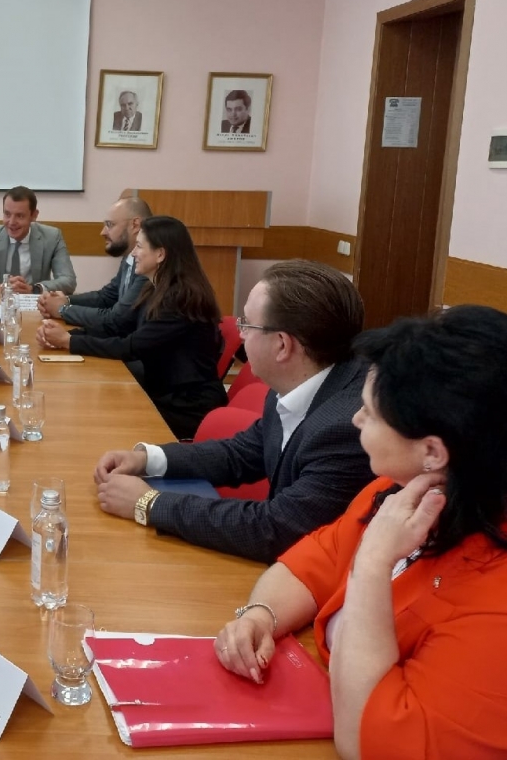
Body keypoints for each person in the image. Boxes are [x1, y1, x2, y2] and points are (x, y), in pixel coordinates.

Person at [214, 305, 507, 759]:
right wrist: (259, 616)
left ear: (433, 452)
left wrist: (372, 565)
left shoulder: (494, 601)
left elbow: (373, 745)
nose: (355, 420)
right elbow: (312, 563)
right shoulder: (398, 492)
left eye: (370, 412)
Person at [92, 260, 372, 562]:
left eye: (247, 324)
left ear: (282, 346)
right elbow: (243, 452)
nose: (240, 334)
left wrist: (148, 503)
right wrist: (148, 459)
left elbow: (275, 529)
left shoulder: (348, 426)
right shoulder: (300, 380)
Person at [37, 215, 224, 439]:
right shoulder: (154, 288)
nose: (133, 253)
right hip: (163, 391)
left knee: (101, 418)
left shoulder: (181, 299)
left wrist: (69, 341)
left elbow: (130, 347)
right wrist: (68, 335)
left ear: (160, 254)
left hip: (186, 407)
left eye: (139, 246)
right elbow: (119, 327)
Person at [39, 195, 152, 332]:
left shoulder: (148, 265)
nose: (102, 232)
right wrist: (64, 300)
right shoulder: (129, 257)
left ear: (135, 225)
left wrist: (63, 309)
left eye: (110, 224)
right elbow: (106, 297)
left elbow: (116, 320)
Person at [0, 185, 77, 296]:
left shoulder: (52, 237)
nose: (12, 222)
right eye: (7, 214)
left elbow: (69, 281)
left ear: (34, 215)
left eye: (20, 216)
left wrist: (34, 289)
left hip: (36, 304)